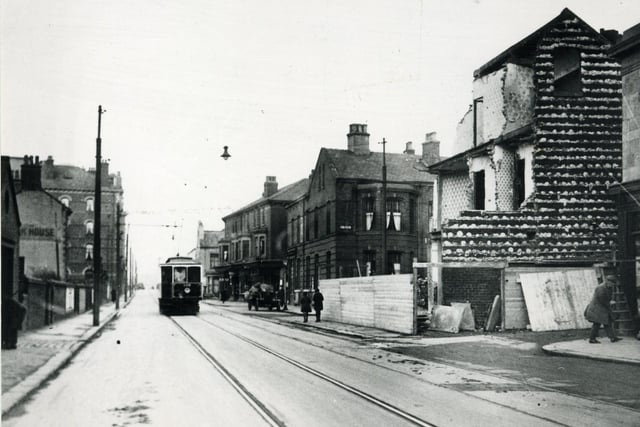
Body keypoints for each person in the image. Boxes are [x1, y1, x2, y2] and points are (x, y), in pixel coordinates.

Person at [584, 276, 622, 344]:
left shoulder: (609, 287)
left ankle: (613, 338)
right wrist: (609, 302)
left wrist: (610, 301)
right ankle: (592, 339)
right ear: (608, 281)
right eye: (612, 283)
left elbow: (608, 297)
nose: (613, 285)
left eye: (613, 283)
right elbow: (602, 299)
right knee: (597, 323)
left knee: (608, 322)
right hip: (597, 309)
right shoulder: (600, 288)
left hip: (603, 308)